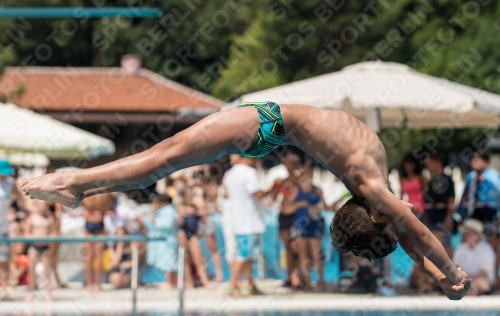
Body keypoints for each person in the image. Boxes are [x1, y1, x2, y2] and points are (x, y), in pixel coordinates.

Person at [19, 101, 470, 299]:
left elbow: (413, 237)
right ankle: (79, 184)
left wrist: (448, 276)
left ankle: (77, 184)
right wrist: (448, 275)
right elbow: (417, 237)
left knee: (162, 160)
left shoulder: (372, 188)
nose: (404, 215)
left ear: (377, 217)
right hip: (265, 125)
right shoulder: (373, 189)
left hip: (263, 125)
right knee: (161, 160)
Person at [223, 155, 265, 297]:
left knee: (248, 255)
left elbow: (225, 194)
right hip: (250, 222)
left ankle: (249, 285)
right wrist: (274, 189)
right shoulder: (249, 172)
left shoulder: (229, 173)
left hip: (239, 220)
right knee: (244, 254)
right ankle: (231, 285)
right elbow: (258, 194)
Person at [290, 166, 327, 290]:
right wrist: (299, 204)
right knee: (303, 254)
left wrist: (319, 207)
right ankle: (307, 282)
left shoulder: (317, 190)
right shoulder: (296, 190)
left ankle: (321, 280)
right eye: (301, 175)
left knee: (316, 253)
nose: (303, 177)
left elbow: (325, 206)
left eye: (306, 175)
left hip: (315, 223)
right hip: (300, 225)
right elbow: (286, 208)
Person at [270, 152, 301, 287]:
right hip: (284, 216)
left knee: (296, 248)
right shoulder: (281, 180)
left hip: (296, 216)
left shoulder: (300, 180)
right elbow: (273, 197)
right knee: (288, 247)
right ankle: (291, 276)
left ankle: (297, 276)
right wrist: (276, 186)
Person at [138, 194, 178, 290]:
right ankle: (169, 282)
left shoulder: (169, 211)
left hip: (168, 242)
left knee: (169, 263)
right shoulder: (164, 211)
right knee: (166, 263)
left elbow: (167, 225)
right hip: (164, 242)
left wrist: (155, 220)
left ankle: (170, 283)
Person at [177, 187, 211, 289]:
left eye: (191, 194)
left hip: (193, 235)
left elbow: (204, 221)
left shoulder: (197, 207)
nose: (190, 196)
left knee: (199, 259)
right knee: (186, 259)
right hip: (183, 234)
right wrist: (181, 216)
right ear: (183, 197)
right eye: (187, 195)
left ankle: (205, 282)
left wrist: (201, 210)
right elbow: (178, 224)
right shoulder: (181, 208)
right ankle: (189, 282)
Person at [453, 219, 496, 296]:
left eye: (468, 233)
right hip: (465, 281)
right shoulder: (460, 248)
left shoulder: (486, 248)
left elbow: (485, 273)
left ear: (476, 235)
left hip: (481, 281)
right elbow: (456, 268)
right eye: (465, 233)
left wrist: (468, 281)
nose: (465, 235)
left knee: (481, 283)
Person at [24, 200, 56, 302]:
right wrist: (35, 239)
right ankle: (31, 293)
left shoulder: (49, 219)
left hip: (45, 247)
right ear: (37, 206)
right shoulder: (31, 219)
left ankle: (48, 293)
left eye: (44, 205)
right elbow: (27, 233)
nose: (42, 207)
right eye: (40, 205)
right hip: (34, 246)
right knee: (32, 271)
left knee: (47, 272)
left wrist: (47, 239)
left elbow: (54, 232)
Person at [82, 193, 114, 291]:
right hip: (100, 221)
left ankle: (89, 284)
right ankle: (98, 285)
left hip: (89, 221)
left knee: (89, 257)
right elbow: (111, 205)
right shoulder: (105, 193)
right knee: (98, 256)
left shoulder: (87, 192)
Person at [423, 154, 455, 252]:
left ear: (437, 162)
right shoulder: (432, 181)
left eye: (429, 165)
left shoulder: (447, 180)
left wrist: (448, 219)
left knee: (445, 248)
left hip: (443, 220)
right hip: (432, 220)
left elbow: (451, 200)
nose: (427, 168)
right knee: (432, 250)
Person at [0, 159, 21, 301]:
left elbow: (22, 202)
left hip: (3, 228)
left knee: (4, 261)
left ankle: (5, 289)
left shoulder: (10, 183)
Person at [400, 153, 427, 220]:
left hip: (421, 211)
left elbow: (427, 193)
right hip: (409, 212)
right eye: (406, 163)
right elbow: (401, 197)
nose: (407, 166)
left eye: (410, 163)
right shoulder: (403, 180)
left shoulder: (420, 177)